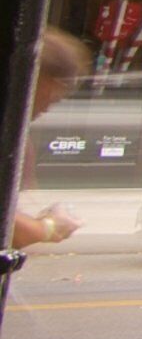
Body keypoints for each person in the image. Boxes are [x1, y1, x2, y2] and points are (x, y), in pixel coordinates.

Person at [10, 32, 89, 254]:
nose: (54, 100)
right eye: (60, 85)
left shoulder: (16, 134)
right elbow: (10, 228)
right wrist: (48, 228)